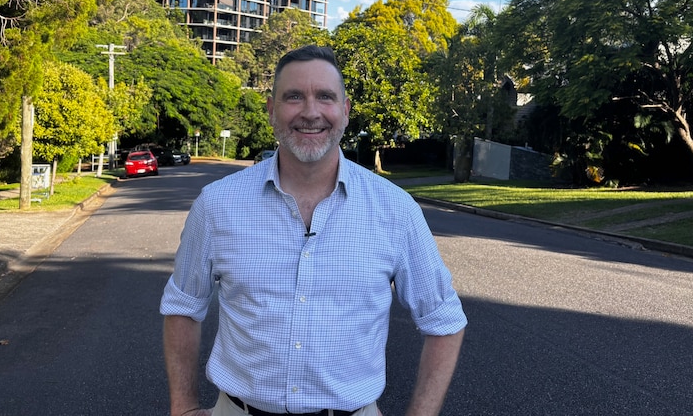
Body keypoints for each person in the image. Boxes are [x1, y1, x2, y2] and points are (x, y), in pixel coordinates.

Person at [161, 45, 467, 416]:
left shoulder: (397, 210)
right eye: (294, 97)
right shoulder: (216, 205)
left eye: (325, 97)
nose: (310, 112)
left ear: (345, 111)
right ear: (272, 110)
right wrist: (183, 407)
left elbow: (444, 320)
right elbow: (183, 306)